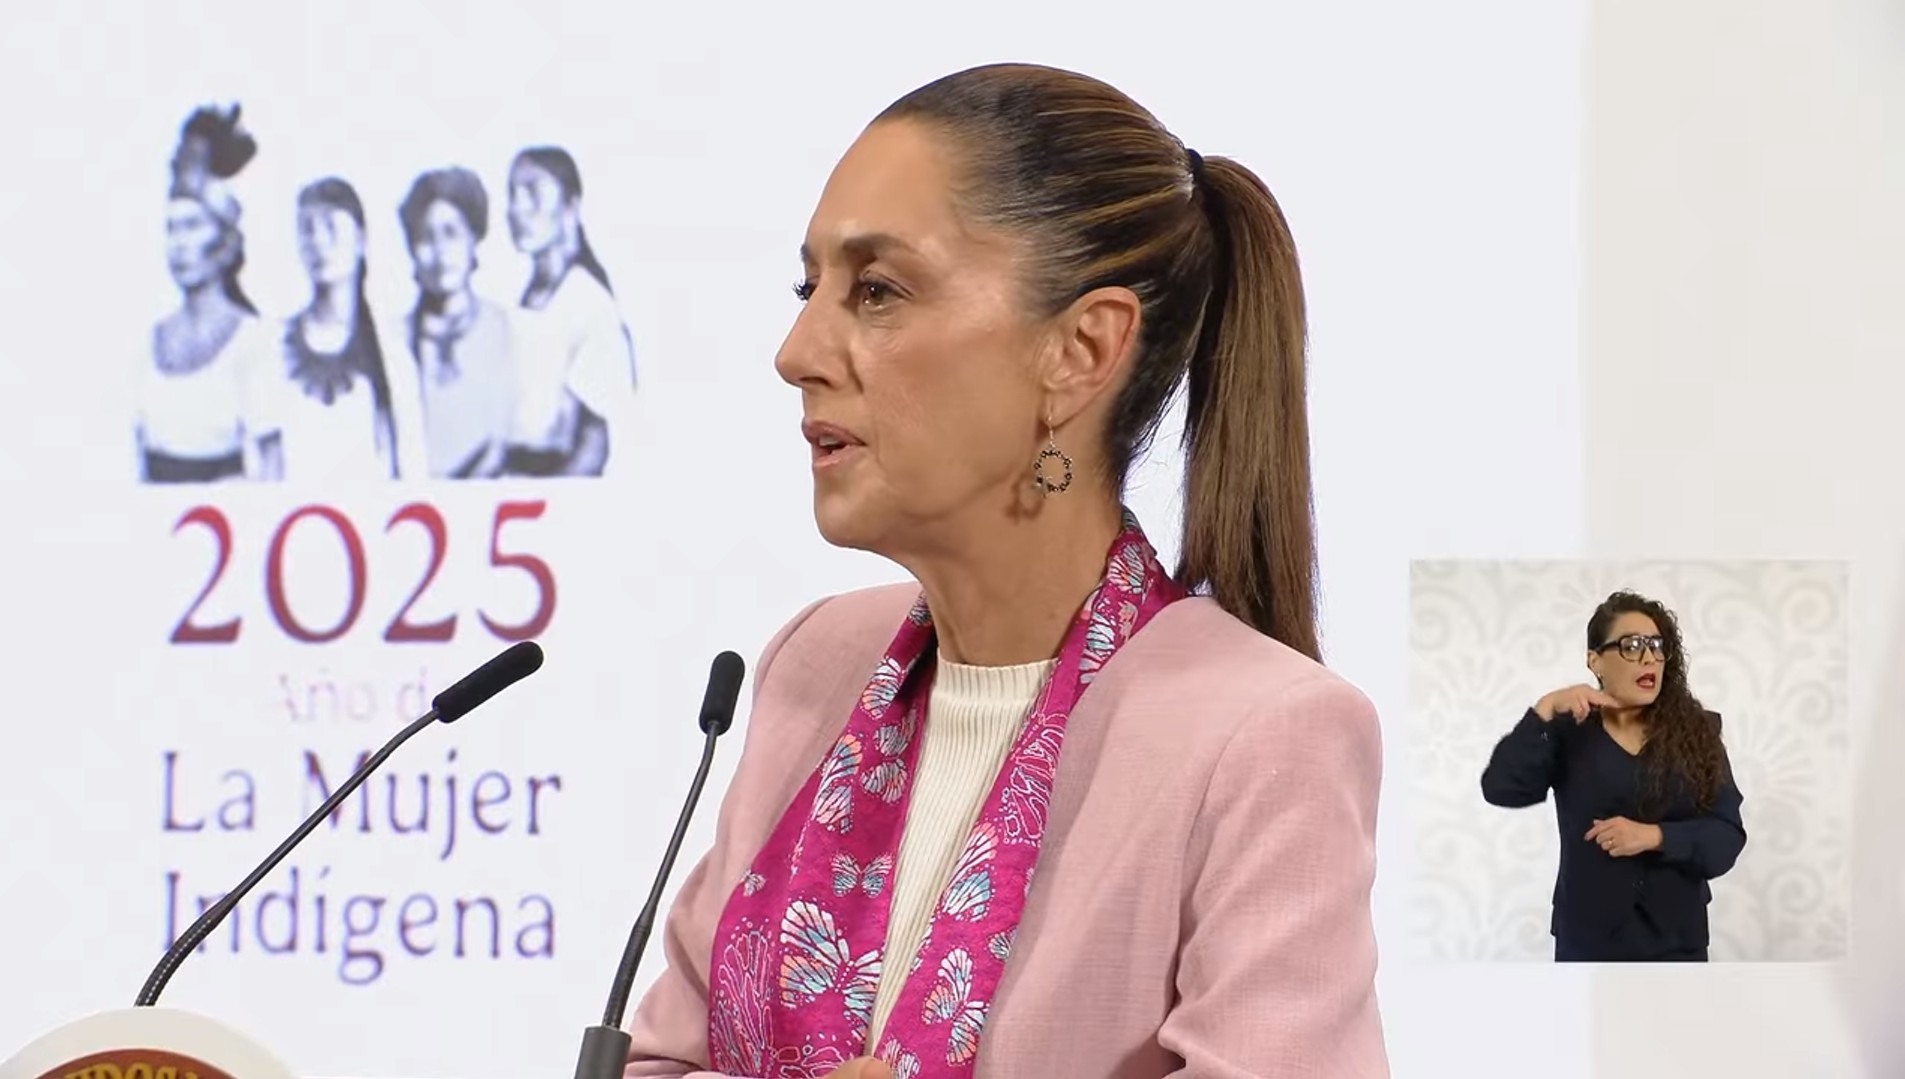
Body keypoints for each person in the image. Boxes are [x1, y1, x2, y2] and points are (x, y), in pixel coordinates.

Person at [621, 63, 1388, 1078]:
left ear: (1081, 348)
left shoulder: (1263, 734)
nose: (798, 349)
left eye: (878, 290)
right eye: (811, 289)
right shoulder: (816, 664)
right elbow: (655, 1061)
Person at [1480, 589, 1747, 962]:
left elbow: (1726, 836)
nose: (1650, 657)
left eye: (1657, 645)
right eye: (1632, 645)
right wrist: (1544, 710)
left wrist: (1654, 836)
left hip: (1677, 942)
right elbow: (1501, 789)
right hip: (1587, 941)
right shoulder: (1567, 730)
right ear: (1595, 660)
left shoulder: (1699, 732)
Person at [246, 177, 425, 482]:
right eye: (307, 229)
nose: (318, 241)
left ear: (360, 240)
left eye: (330, 227)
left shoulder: (392, 355)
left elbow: (411, 469)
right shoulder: (272, 347)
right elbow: (262, 463)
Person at [137, 104, 272, 483]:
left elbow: (272, 475)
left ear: (226, 242)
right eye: (172, 229)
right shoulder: (147, 343)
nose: (180, 245)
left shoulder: (255, 343)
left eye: (193, 226)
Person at [500, 145, 634, 477]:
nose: (517, 209)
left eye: (532, 193)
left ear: (570, 206)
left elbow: (595, 439)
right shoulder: (525, 300)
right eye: (512, 195)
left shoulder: (587, 303)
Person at [395, 166, 519, 478]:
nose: (440, 253)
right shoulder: (393, 340)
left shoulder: (508, 330)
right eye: (426, 238)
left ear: (472, 240)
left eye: (452, 233)